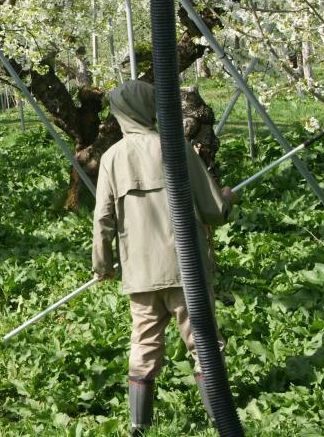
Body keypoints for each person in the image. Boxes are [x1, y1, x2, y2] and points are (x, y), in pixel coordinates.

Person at [91, 81, 234, 434]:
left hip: (140, 274)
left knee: (143, 346)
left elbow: (103, 220)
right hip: (184, 269)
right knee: (203, 344)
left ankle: (139, 426)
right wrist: (227, 198)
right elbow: (213, 210)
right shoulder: (175, 147)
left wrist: (103, 265)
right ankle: (221, 421)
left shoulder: (111, 158)